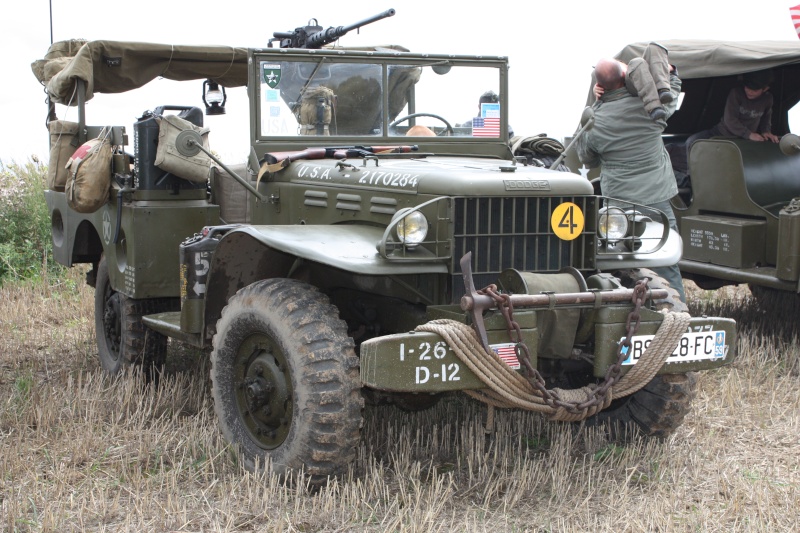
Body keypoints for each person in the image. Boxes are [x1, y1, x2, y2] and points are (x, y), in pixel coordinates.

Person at [577, 57, 687, 303]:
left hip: (619, 201)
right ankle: (679, 316)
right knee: (667, 262)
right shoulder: (648, 106)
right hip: (657, 197)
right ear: (625, 79)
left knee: (619, 263)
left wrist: (597, 103)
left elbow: (586, 157)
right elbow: (671, 99)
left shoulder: (596, 117)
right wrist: (674, 75)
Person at [685, 70, 779, 155]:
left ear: (765, 89)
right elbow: (730, 120)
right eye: (747, 87)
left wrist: (766, 131)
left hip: (745, 140)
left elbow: (766, 117)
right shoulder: (736, 93)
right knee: (692, 141)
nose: (749, 91)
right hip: (722, 134)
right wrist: (749, 134)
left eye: (754, 90)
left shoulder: (767, 99)